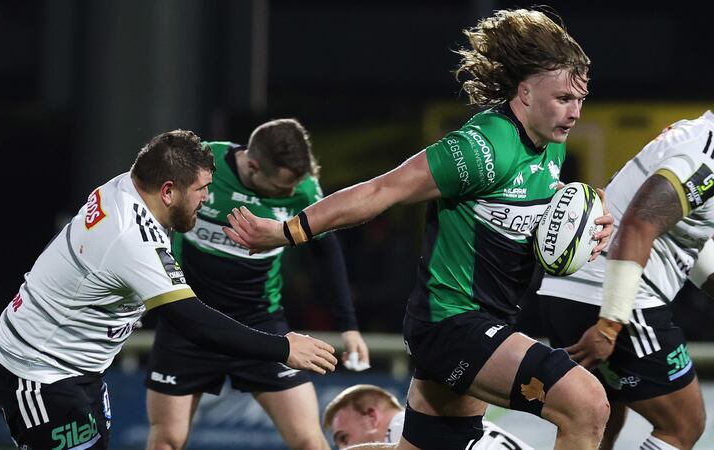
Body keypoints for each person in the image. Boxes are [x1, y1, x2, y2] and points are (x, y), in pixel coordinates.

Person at [223, 8, 615, 450]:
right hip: (453, 325)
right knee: (587, 403)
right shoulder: (481, 148)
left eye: (580, 100)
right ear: (524, 93)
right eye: (564, 98)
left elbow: (535, 215)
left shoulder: (550, 150)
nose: (575, 112)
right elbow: (380, 191)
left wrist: (589, 221)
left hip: (481, 323)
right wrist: (286, 232)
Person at [0, 130, 337, 450]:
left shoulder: (131, 187)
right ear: (168, 191)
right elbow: (193, 320)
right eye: (201, 189)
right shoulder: (130, 238)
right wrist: (283, 347)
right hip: (37, 370)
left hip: (78, 370)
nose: (207, 197)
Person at [144, 119, 369, 450]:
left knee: (309, 441)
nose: (292, 195)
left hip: (260, 323)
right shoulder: (201, 165)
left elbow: (327, 249)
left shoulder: (304, 188)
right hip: (189, 322)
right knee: (166, 441)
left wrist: (349, 326)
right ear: (252, 165)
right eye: (281, 189)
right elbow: (148, 217)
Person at [538, 112, 714, 450]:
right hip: (614, 304)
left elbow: (683, 231)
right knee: (683, 424)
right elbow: (638, 225)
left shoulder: (695, 133)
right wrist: (609, 325)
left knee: (598, 421)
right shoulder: (707, 155)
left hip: (576, 292)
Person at [323, 384, 533, 450]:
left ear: (371, 417)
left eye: (344, 438)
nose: (344, 448)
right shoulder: (426, 421)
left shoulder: (408, 428)